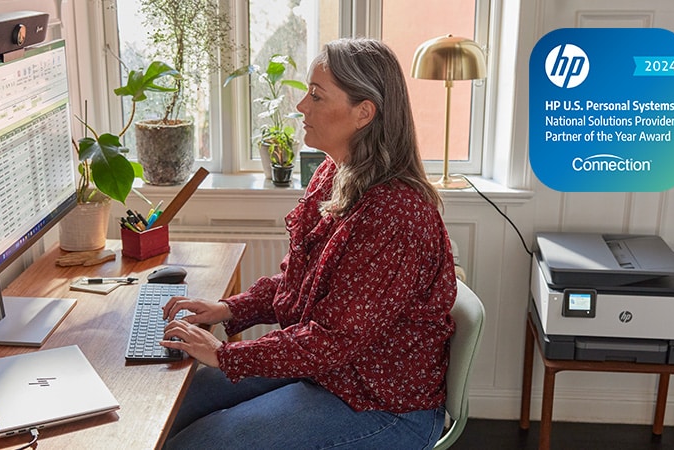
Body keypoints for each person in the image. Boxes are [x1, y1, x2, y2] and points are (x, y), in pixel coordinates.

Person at [160, 38, 457, 450]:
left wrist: (226, 355)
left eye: (316, 96)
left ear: (363, 113)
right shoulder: (333, 173)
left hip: (382, 406)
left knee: (197, 445)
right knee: (171, 409)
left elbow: (333, 338)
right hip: (329, 370)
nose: (301, 106)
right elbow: (298, 279)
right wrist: (229, 308)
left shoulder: (395, 213)